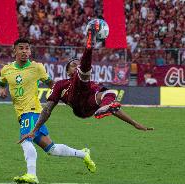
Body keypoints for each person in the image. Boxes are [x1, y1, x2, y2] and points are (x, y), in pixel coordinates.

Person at [19, 23, 154, 145]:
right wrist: (35, 129)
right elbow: (47, 109)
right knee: (83, 75)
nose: (76, 65)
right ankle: (89, 47)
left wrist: (135, 124)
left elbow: (115, 109)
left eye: (78, 64)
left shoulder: (92, 84)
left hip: (90, 104)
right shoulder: (61, 84)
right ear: (67, 71)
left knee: (111, 93)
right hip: (77, 104)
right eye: (73, 65)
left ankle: (103, 107)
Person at [0, 38, 96, 184]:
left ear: (30, 51)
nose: (24, 51)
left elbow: (52, 84)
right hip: (22, 113)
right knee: (52, 149)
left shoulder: (37, 68)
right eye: (21, 48)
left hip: (31, 110)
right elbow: (2, 81)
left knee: (25, 141)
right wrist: (1, 89)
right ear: (14, 51)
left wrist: (67, 94)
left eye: (27, 48)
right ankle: (83, 154)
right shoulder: (6, 69)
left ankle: (31, 175)